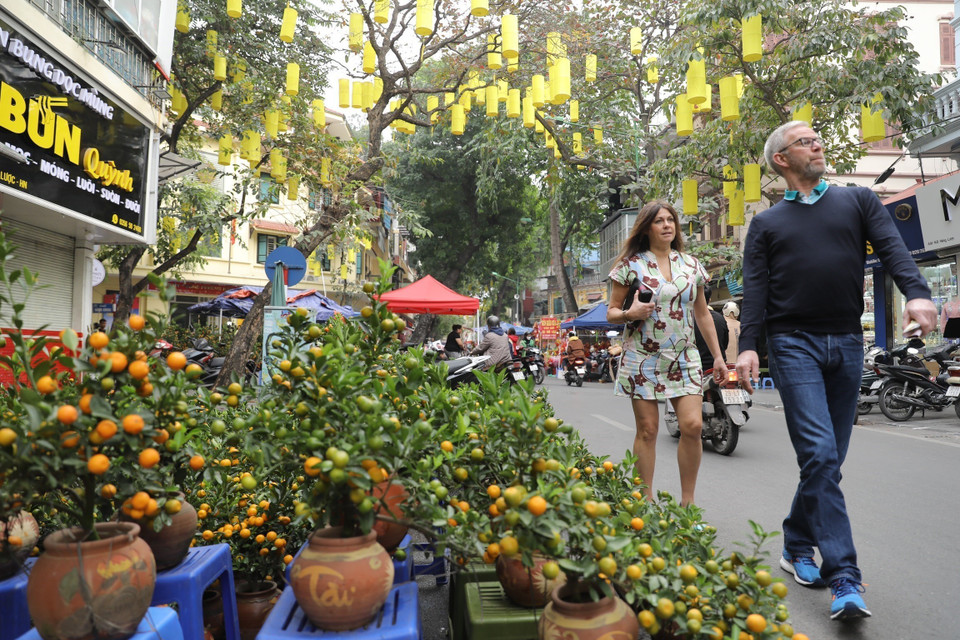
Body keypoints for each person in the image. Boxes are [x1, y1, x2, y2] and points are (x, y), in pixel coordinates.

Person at [735, 121, 937, 621]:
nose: (817, 144)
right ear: (780, 159)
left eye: (816, 137)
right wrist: (746, 347)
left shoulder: (858, 201)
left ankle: (796, 542)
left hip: (848, 341)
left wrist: (916, 292)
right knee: (821, 455)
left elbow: (893, 249)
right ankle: (844, 577)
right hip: (792, 344)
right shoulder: (767, 225)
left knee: (829, 460)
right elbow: (755, 294)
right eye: (805, 141)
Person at [606, 201, 728, 507]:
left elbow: (702, 315)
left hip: (684, 356)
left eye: (670, 219)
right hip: (641, 356)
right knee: (648, 430)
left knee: (694, 425)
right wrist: (629, 313)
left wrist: (718, 357)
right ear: (647, 228)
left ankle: (687, 504)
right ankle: (643, 503)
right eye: (659, 221)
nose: (666, 225)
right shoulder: (629, 266)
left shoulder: (691, 265)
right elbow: (611, 312)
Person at [693, 285, 729, 369]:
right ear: (709, 300)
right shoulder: (720, 318)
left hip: (698, 367)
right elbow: (725, 343)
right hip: (719, 365)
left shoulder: (688, 319)